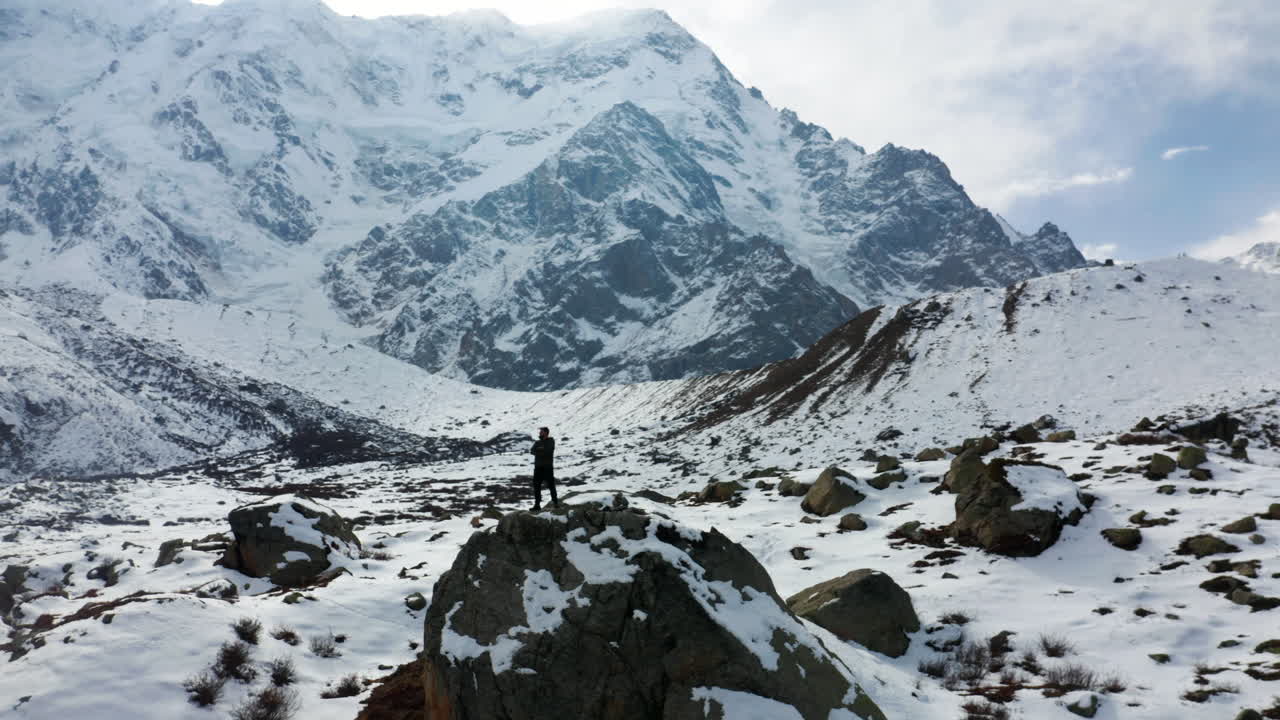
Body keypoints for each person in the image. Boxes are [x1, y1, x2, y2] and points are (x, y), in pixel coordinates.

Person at [529, 426, 559, 510]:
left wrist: (539, 451)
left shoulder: (551, 441)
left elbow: (548, 452)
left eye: (541, 431)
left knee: (551, 485)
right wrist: (541, 450)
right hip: (538, 468)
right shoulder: (537, 442)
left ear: (546, 433)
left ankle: (555, 503)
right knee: (536, 486)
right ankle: (537, 505)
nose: (539, 433)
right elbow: (532, 451)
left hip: (547, 468)